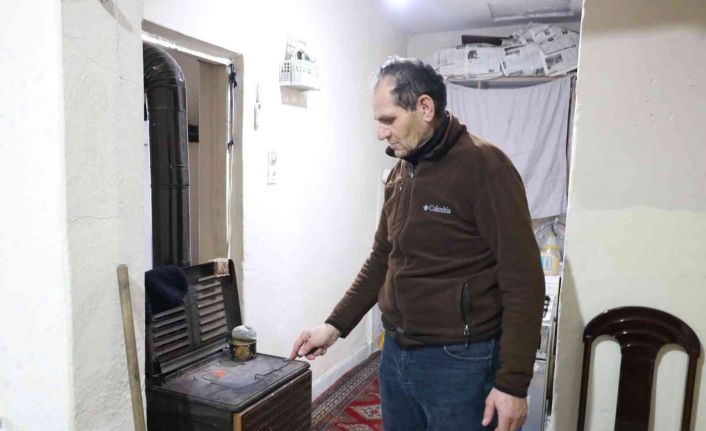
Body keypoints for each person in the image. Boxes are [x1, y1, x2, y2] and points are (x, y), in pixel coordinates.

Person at [290, 58, 544, 431]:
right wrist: (334, 326)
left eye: (388, 120)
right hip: (396, 353)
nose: (380, 133)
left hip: (461, 360)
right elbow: (382, 259)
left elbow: (523, 281)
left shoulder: (486, 167)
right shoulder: (401, 170)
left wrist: (512, 384)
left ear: (424, 108)